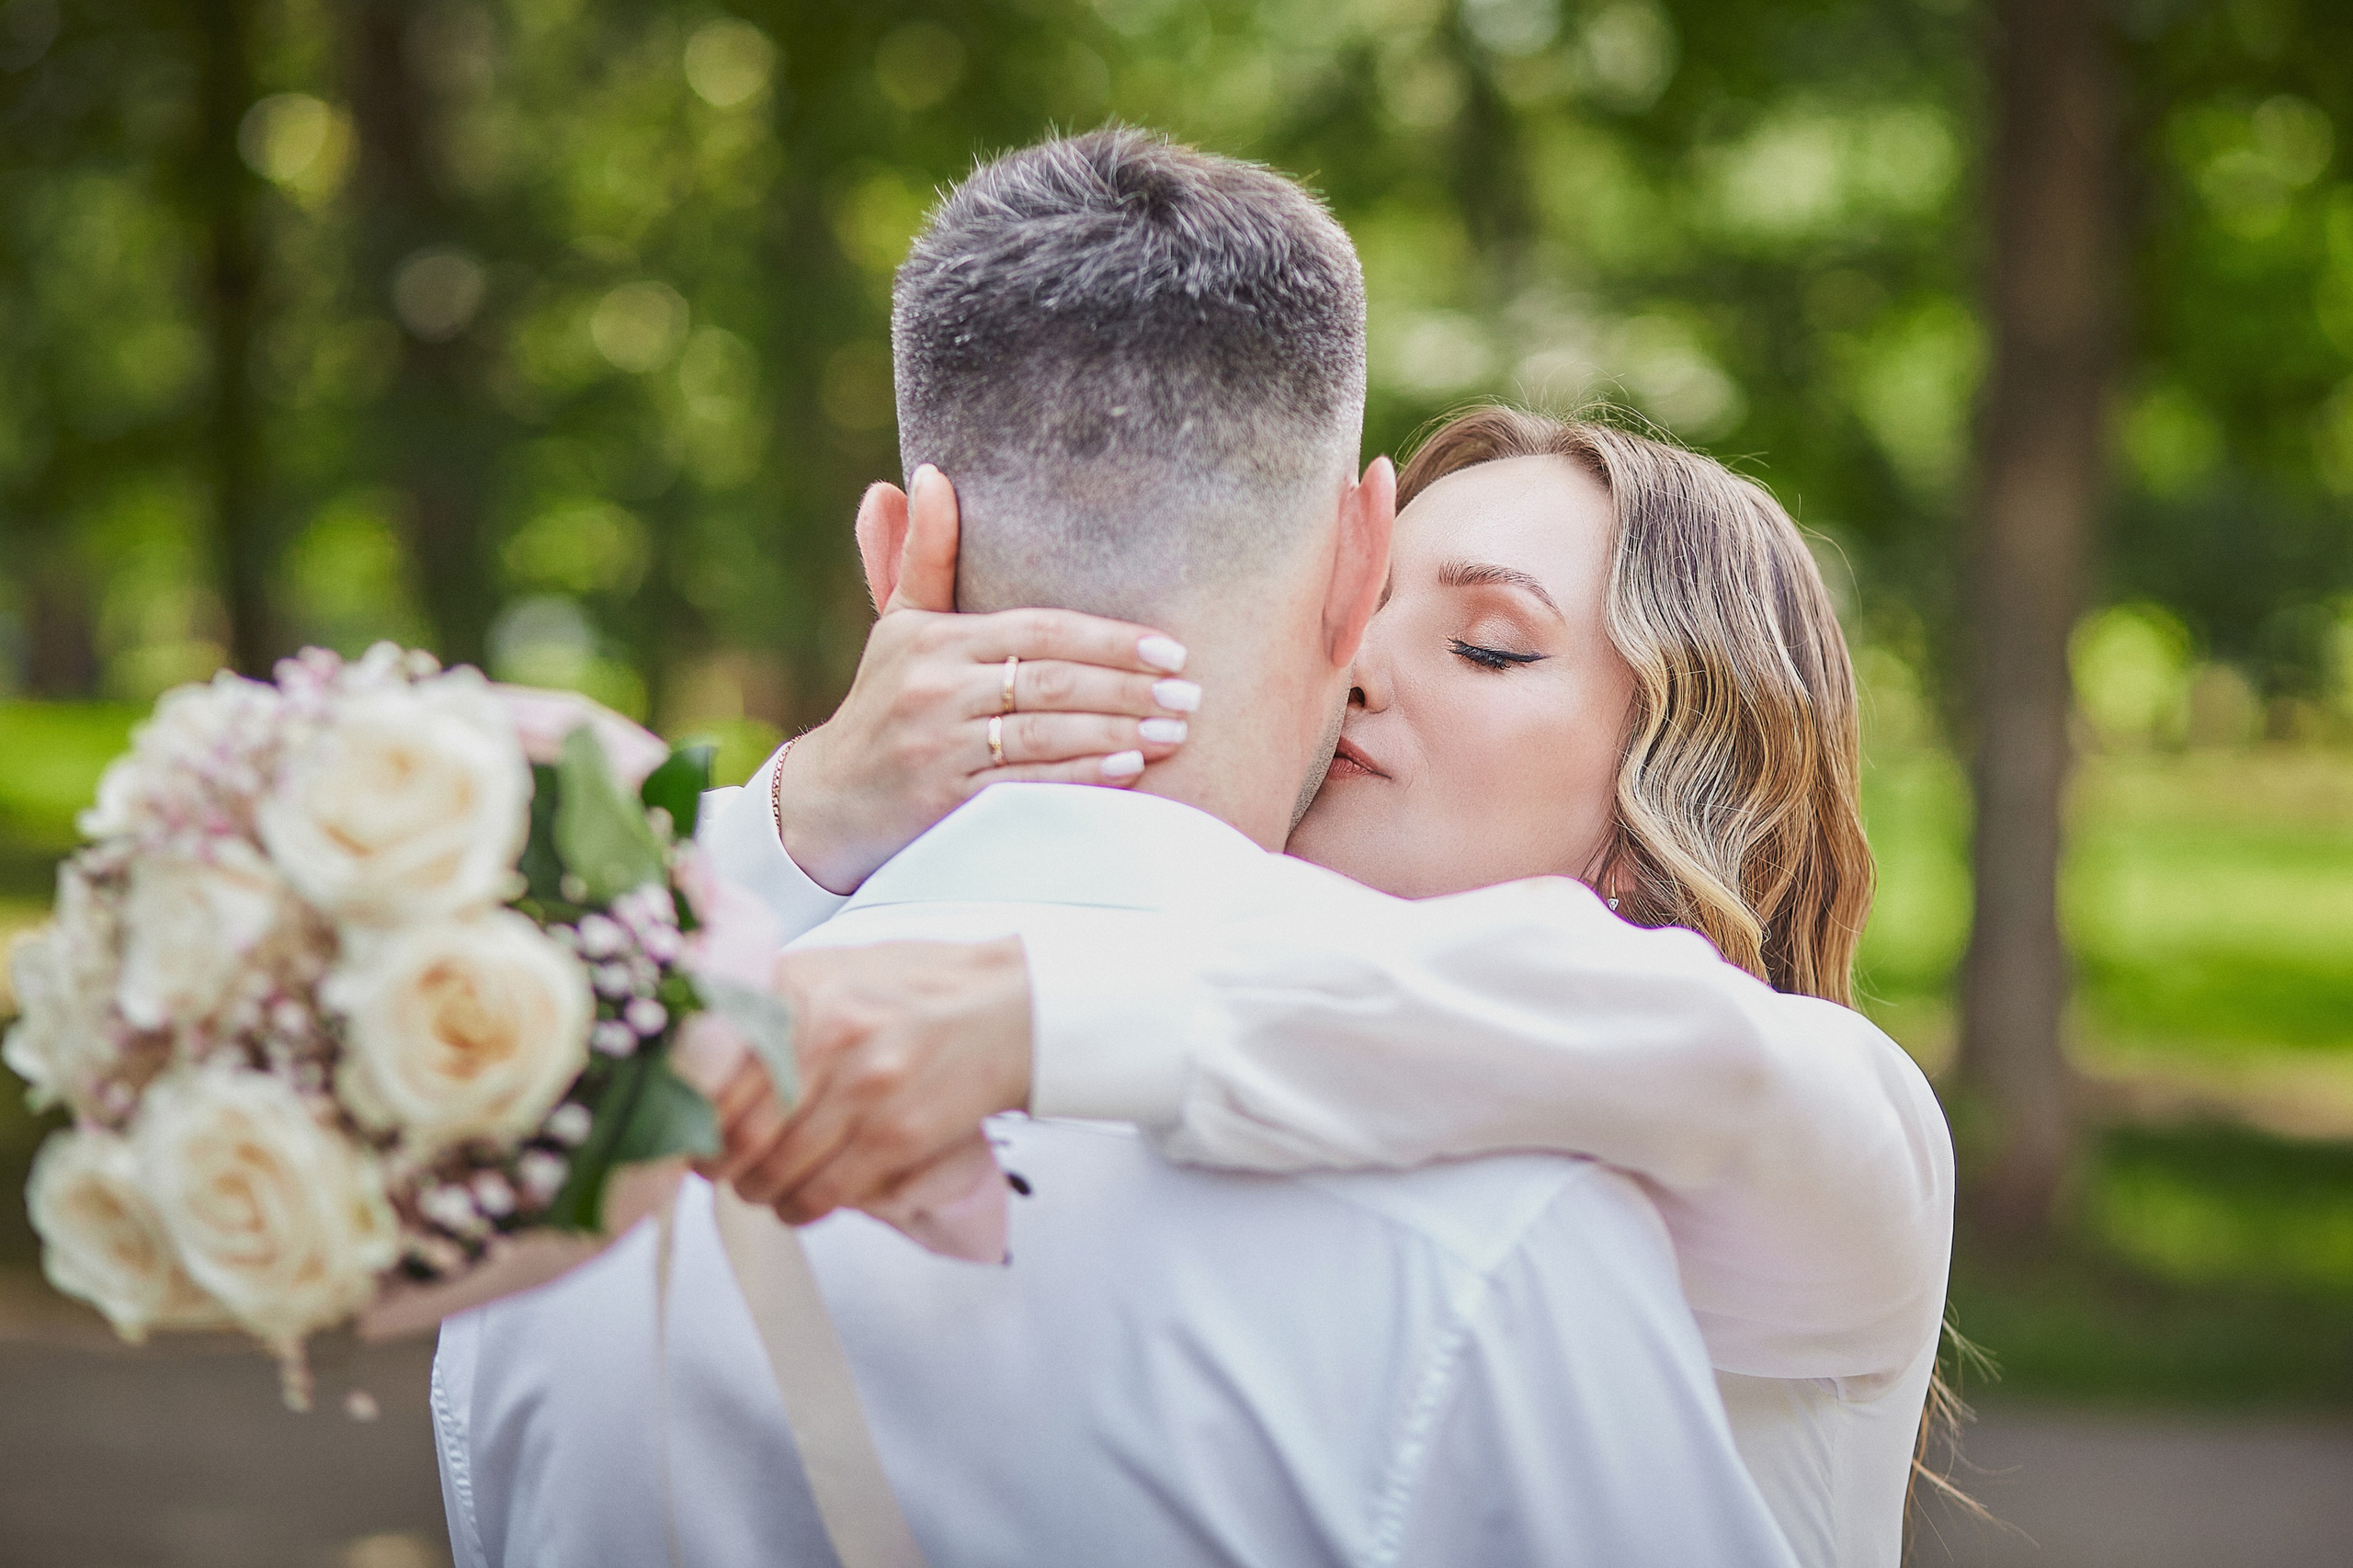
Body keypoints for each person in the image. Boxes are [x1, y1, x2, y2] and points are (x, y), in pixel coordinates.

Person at [433, 129, 1795, 1568]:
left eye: (1482, 644)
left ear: (901, 557)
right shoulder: (1503, 1225)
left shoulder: (561, 1179)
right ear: (1352, 565)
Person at [693, 403, 1955, 1568]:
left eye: (1486, 646)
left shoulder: (1845, 1118)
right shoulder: (1257, 1082)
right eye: (1352, 612)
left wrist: (1039, 1017)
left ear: (1671, 800)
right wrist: (812, 814)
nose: (1352, 668)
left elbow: (1690, 1046)